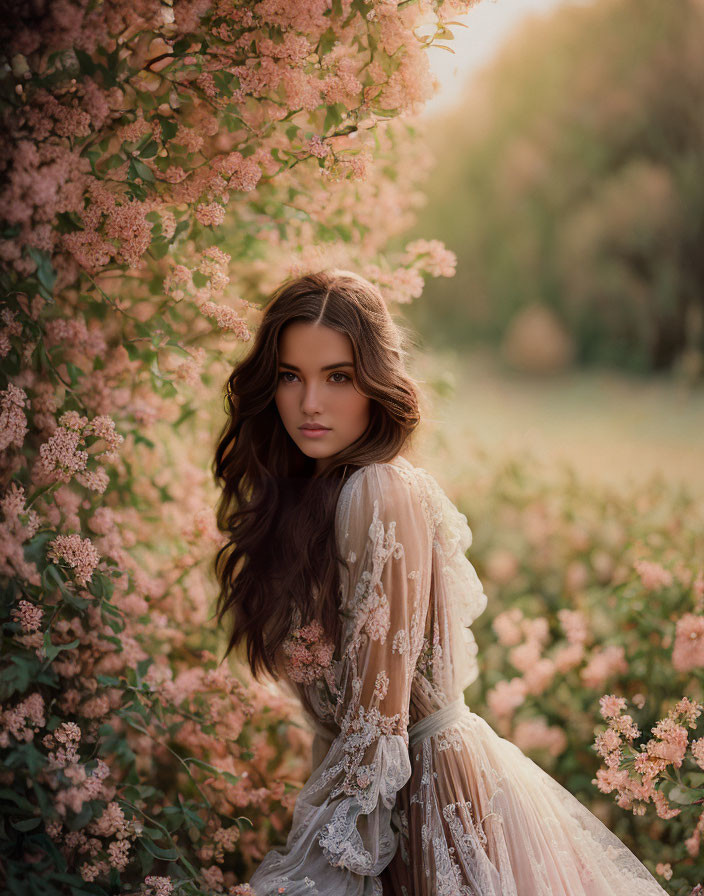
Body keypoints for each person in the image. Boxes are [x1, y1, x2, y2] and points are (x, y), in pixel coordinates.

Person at [212, 270, 668, 895]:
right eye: (291, 376)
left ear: (375, 385)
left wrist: (310, 871)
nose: (309, 402)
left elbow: (376, 732)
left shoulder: (378, 489)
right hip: (381, 800)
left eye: (338, 377)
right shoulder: (311, 499)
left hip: (430, 800)